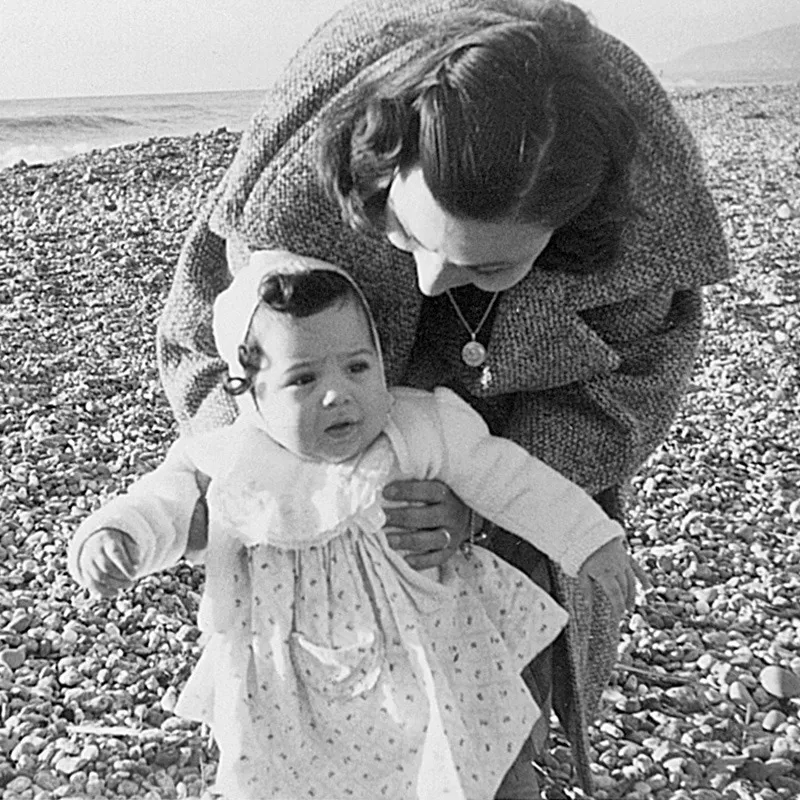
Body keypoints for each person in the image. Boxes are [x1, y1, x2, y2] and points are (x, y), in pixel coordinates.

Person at [155, 0, 732, 794]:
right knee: (314, 726)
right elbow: (208, 347)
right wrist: (272, 481)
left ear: (572, 229)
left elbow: (628, 388)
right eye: (408, 235)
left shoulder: (638, 223)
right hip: (323, 473)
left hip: (509, 451)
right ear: (381, 169)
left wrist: (482, 504)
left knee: (502, 702)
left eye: (485, 266)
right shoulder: (295, 181)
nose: (429, 279)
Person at [70, 251, 634, 800]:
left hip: (431, 660)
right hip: (290, 688)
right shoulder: (230, 457)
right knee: (292, 780)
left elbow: (512, 480)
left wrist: (588, 540)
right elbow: (163, 503)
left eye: (357, 366)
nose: (338, 393)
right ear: (249, 390)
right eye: (303, 379)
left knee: (481, 766)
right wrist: (116, 537)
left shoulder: (418, 426)